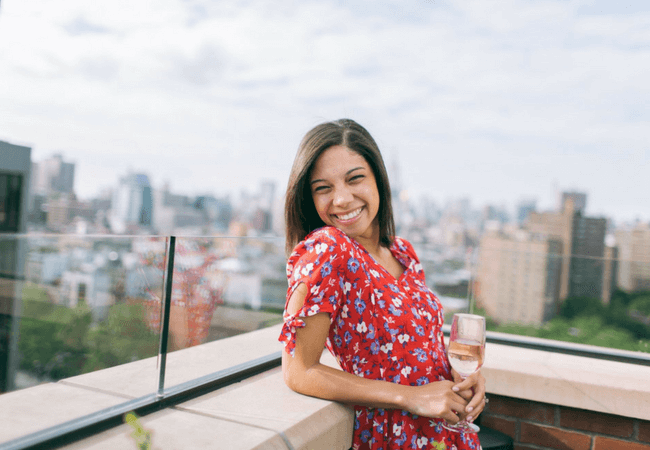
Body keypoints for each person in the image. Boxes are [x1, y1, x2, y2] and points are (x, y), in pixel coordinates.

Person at [279, 119, 485, 450]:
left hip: (445, 435)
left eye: (354, 178)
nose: (342, 199)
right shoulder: (328, 250)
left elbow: (417, 347)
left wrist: (463, 380)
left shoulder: (404, 252)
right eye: (323, 188)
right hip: (394, 436)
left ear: (378, 179)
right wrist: (411, 397)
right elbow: (299, 370)